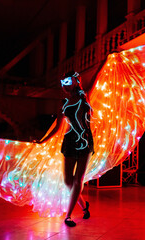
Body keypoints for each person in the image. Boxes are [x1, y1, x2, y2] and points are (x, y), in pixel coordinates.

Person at [36, 71, 93, 227]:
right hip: (69, 141)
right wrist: (42, 141)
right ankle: (83, 206)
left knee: (78, 179)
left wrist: (106, 61)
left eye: (67, 81)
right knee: (68, 181)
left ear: (75, 81)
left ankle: (68, 216)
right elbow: (57, 126)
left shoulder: (84, 96)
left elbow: (94, 80)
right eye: (62, 82)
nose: (64, 85)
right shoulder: (64, 102)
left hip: (84, 140)